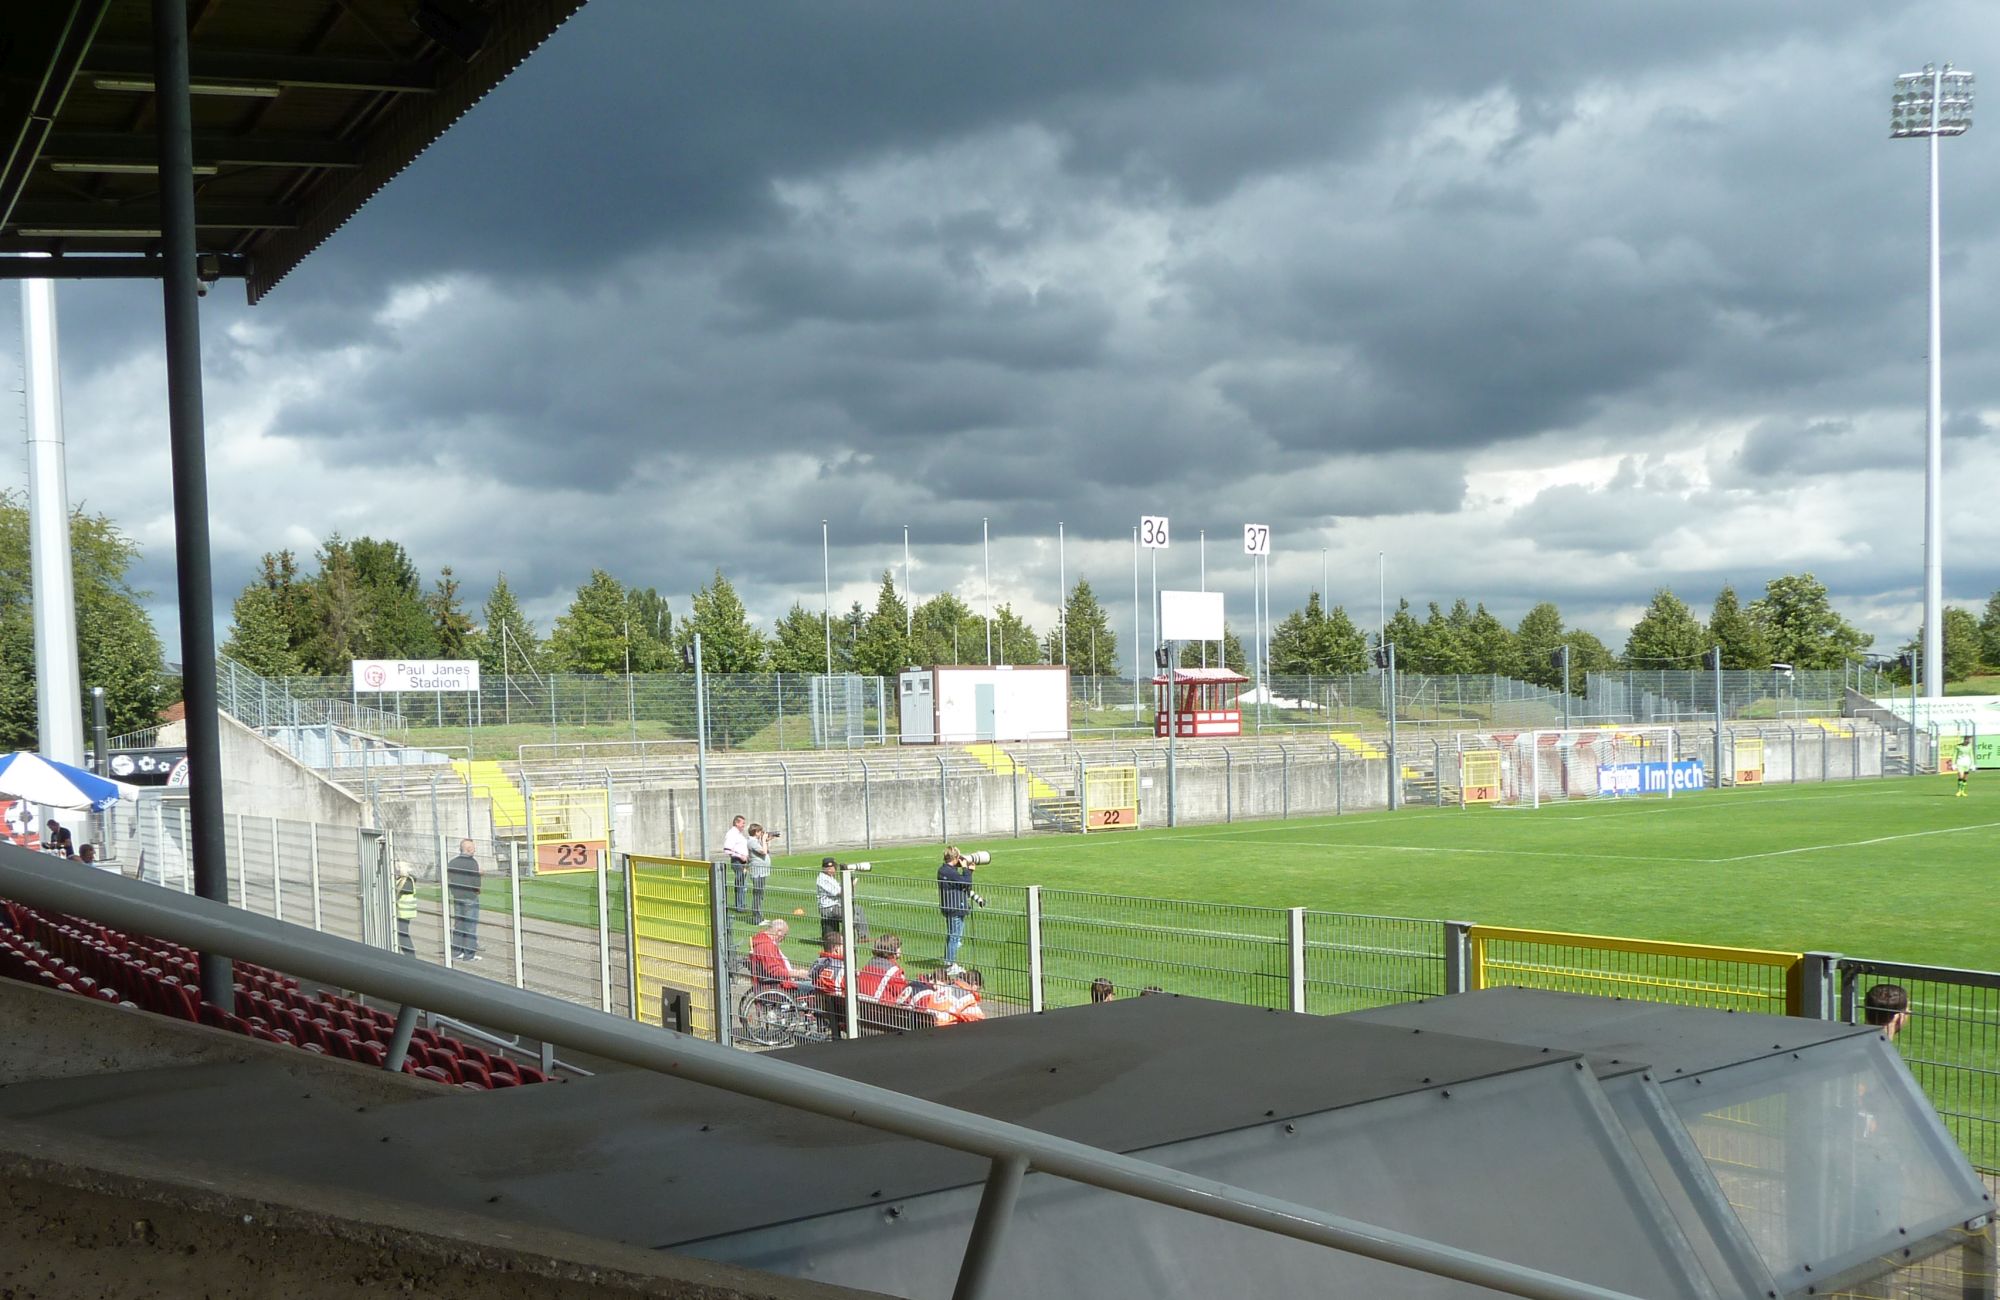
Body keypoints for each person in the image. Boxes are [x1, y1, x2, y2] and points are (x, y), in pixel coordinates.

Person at [936, 845, 984, 973]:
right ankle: (950, 965)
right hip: (956, 907)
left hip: (950, 906)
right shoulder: (951, 872)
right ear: (956, 857)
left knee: (952, 936)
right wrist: (968, 870)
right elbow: (966, 883)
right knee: (954, 937)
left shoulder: (943, 870)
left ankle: (949, 961)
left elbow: (962, 886)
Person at [444, 838, 483, 961]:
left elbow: (449, 878)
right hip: (470, 897)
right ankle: (469, 954)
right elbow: (476, 882)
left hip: (457, 896)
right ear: (469, 849)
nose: (475, 850)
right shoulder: (472, 863)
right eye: (473, 847)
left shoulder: (453, 862)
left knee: (459, 924)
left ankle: (456, 952)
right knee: (470, 926)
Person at [856, 933, 920, 1004]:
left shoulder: (868, 965)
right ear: (894, 951)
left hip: (862, 1007)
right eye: (898, 947)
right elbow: (904, 996)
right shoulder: (894, 972)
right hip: (883, 1011)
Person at [749, 919, 805, 990]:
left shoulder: (763, 940)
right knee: (814, 987)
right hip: (781, 986)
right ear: (779, 932)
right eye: (784, 935)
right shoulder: (766, 946)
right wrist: (798, 973)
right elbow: (775, 971)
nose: (783, 939)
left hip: (782, 981)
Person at [745, 822, 776, 924]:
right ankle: (757, 919)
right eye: (760, 831)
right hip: (757, 872)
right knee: (757, 894)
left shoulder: (756, 841)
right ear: (756, 832)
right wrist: (763, 840)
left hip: (762, 871)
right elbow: (763, 852)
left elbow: (766, 850)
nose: (762, 833)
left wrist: (766, 841)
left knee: (760, 894)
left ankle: (760, 916)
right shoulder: (752, 842)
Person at [722, 814, 752, 911]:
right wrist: (740, 856)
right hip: (737, 861)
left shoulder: (739, 834)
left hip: (743, 862)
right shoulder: (731, 834)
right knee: (740, 883)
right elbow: (727, 849)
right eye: (742, 823)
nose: (744, 825)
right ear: (736, 823)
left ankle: (741, 904)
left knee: (742, 883)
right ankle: (739, 906)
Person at [807, 932, 847, 997]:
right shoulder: (843, 966)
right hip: (839, 1003)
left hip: (819, 1000)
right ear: (836, 949)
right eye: (843, 945)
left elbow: (810, 976)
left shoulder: (818, 962)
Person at [394, 863, 419, 957]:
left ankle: (410, 954)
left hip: (404, 911)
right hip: (403, 910)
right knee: (401, 932)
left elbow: (398, 891)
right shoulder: (402, 879)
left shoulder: (407, 880)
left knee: (403, 933)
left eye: (397, 869)